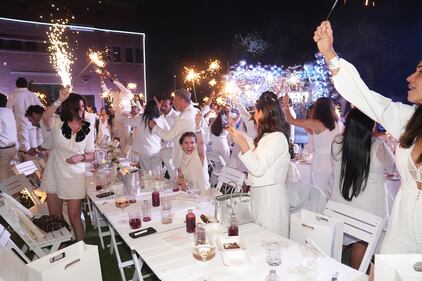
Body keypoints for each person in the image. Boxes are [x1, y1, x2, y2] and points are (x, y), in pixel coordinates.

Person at [314, 20, 422, 254]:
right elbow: (365, 97)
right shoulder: (407, 119)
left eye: (420, 72)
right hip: (402, 226)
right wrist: (329, 53)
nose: (410, 77)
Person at [330, 108, 395, 269]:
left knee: (338, 242)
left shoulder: (337, 143)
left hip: (341, 203)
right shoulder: (378, 147)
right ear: (370, 127)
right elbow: (392, 168)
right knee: (361, 242)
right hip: (367, 209)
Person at [228, 91, 291, 236]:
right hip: (260, 196)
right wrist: (239, 136)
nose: (254, 116)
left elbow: (258, 168)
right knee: (259, 237)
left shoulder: (277, 138)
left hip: (270, 200)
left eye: (256, 112)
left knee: (269, 239)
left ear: (263, 113)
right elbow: (256, 151)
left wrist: (242, 143)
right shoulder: (268, 137)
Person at [41, 87, 95, 241]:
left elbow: (91, 154)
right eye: (79, 106)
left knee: (74, 216)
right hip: (55, 171)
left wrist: (82, 157)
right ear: (70, 107)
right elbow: (45, 117)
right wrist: (59, 100)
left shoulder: (88, 127)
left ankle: (82, 247)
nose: (82, 109)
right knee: (56, 216)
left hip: (75, 175)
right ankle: (61, 247)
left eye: (83, 106)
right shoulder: (57, 122)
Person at [283, 96, 343, 198]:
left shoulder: (316, 123)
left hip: (320, 163)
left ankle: (318, 213)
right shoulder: (339, 124)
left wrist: (286, 105)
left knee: (317, 192)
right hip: (335, 162)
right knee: (332, 192)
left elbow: (290, 120)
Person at [149, 89, 199, 169]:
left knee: (158, 155)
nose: (174, 103)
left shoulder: (183, 117)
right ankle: (170, 177)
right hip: (192, 150)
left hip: (184, 153)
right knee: (161, 154)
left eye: (175, 100)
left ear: (182, 100)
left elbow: (168, 137)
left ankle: (170, 177)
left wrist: (154, 127)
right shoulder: (196, 111)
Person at [123, 100, 169, 173]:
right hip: (156, 150)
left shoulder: (141, 119)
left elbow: (125, 121)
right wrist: (163, 146)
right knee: (157, 174)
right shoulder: (161, 119)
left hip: (143, 151)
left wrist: (122, 115)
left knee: (146, 174)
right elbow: (168, 135)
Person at [7, 77, 42, 159]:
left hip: (20, 123)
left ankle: (27, 164)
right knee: (33, 142)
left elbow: (8, 109)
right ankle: (35, 161)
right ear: (26, 85)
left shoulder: (13, 95)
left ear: (16, 85)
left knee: (24, 143)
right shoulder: (32, 95)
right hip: (33, 122)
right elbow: (40, 108)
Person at [177, 112, 210, 196]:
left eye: (192, 142)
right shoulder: (183, 159)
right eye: (186, 143)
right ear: (181, 145)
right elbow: (180, 177)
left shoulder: (199, 155)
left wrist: (198, 126)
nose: (190, 145)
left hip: (203, 194)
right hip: (190, 193)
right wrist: (182, 182)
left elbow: (201, 143)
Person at [99, 72, 132, 151]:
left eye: (121, 85)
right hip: (118, 117)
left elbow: (120, 85)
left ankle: (129, 154)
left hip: (126, 117)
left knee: (127, 136)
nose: (118, 87)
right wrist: (101, 80)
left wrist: (112, 79)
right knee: (122, 137)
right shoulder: (115, 93)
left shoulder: (127, 92)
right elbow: (105, 91)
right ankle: (124, 153)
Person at [158, 97, 179, 180]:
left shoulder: (176, 117)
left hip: (172, 146)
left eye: (165, 105)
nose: (163, 107)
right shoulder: (161, 115)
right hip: (161, 145)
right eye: (161, 105)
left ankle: (174, 179)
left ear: (171, 105)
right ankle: (159, 178)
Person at [0, 93, 17, 179]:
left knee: (2, 178)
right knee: (9, 175)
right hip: (12, 149)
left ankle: (5, 192)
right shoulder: (9, 112)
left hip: (4, 151)